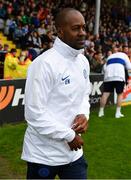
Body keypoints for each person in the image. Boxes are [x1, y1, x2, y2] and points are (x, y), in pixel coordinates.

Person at [21, 8, 91, 179]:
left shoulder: (83, 61)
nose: (82, 33)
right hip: (42, 155)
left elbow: (84, 95)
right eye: (76, 28)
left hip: (73, 154)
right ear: (60, 31)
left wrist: (84, 113)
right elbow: (34, 114)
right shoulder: (44, 64)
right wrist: (68, 135)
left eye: (83, 28)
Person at [98, 51, 131, 118]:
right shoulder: (124, 55)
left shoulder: (109, 57)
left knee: (105, 94)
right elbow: (129, 67)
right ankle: (118, 113)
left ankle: (101, 112)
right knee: (120, 94)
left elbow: (104, 68)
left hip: (108, 77)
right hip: (119, 76)